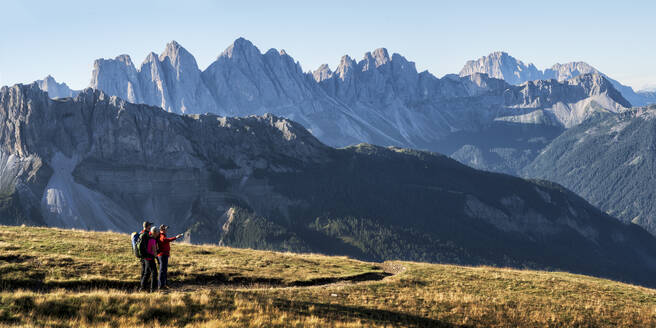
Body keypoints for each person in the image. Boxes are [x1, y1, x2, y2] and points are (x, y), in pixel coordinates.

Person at [157, 224, 183, 290]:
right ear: (162, 230)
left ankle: (164, 284)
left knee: (164, 270)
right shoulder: (161, 236)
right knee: (162, 270)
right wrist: (176, 237)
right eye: (165, 229)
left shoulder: (161, 235)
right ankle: (161, 285)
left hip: (164, 255)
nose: (166, 230)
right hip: (162, 255)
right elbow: (165, 240)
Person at [140, 226, 160, 292]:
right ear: (154, 233)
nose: (158, 233)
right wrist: (157, 259)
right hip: (150, 258)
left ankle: (142, 288)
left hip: (146, 258)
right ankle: (153, 289)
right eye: (157, 232)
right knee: (154, 273)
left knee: (147, 273)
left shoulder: (149, 238)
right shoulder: (153, 240)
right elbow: (154, 251)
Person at [137, 221, 153, 290]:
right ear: (148, 226)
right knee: (147, 272)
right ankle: (143, 288)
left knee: (143, 272)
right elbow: (147, 246)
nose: (151, 227)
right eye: (150, 226)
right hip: (146, 256)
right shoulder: (146, 235)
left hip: (142, 256)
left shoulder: (141, 233)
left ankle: (141, 286)